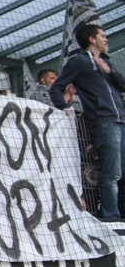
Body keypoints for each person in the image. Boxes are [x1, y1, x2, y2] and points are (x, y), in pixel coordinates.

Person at [49, 25, 125, 219]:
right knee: (112, 173)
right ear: (92, 39)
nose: (106, 40)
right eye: (103, 36)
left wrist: (109, 71)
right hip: (104, 122)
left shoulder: (106, 62)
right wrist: (64, 107)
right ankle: (111, 215)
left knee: (122, 172)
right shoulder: (79, 62)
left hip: (121, 121)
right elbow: (56, 88)